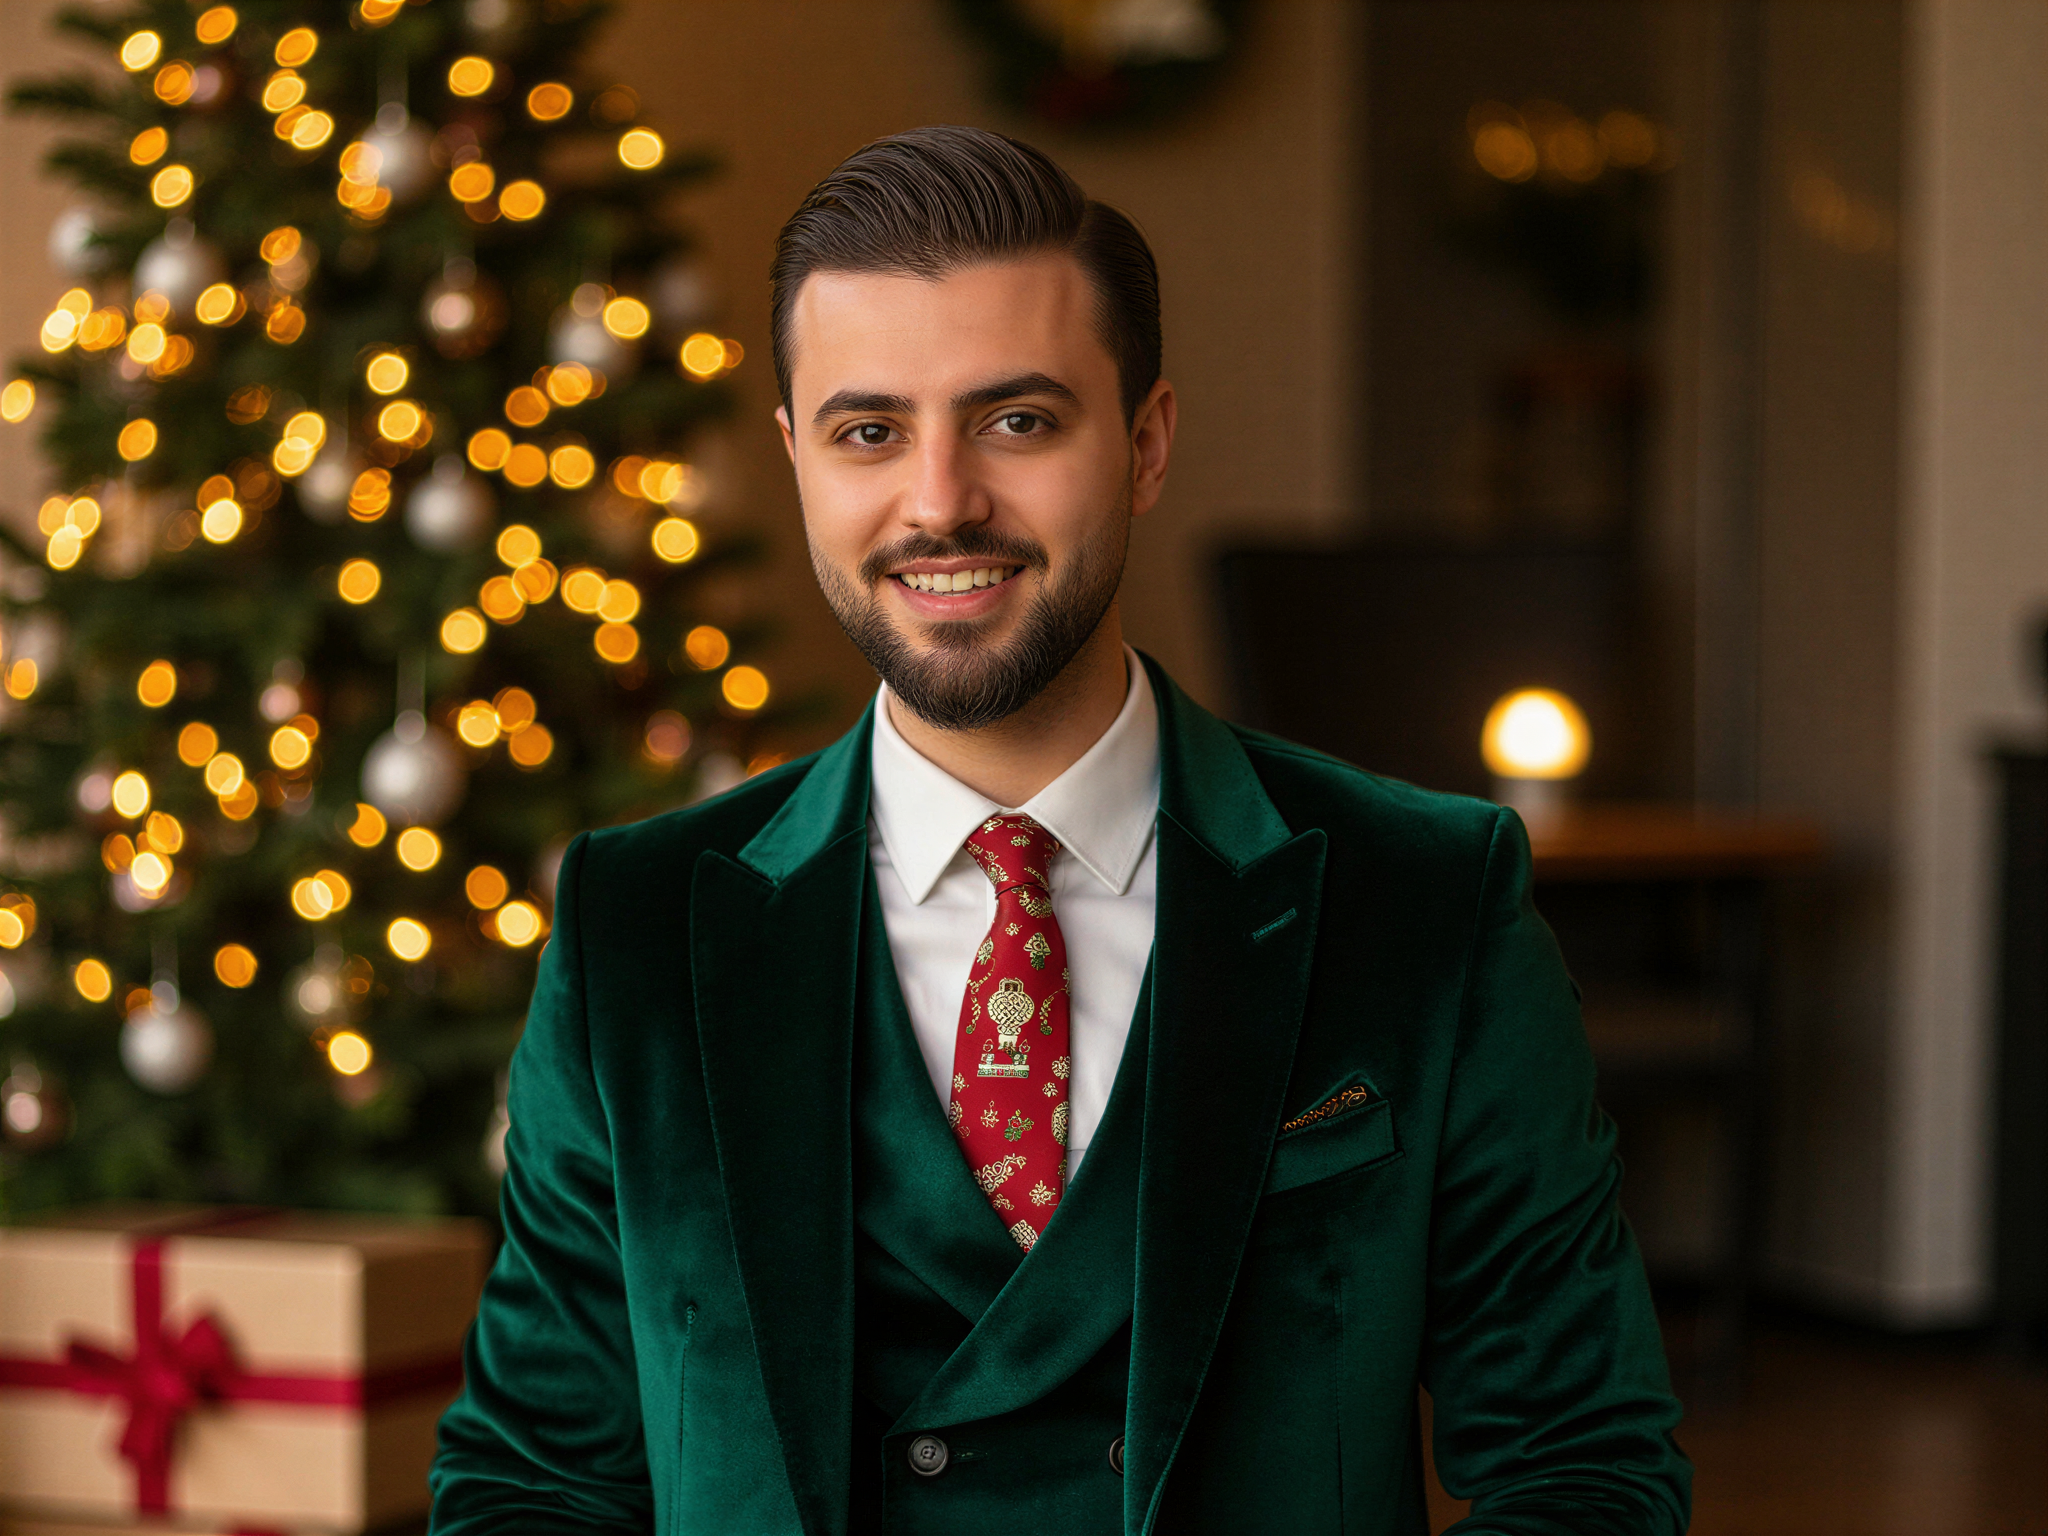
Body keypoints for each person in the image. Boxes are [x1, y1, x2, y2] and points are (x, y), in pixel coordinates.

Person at [430, 125, 1690, 1536]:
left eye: (1017, 420)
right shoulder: (636, 928)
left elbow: (1583, 1469)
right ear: (795, 458)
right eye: (868, 431)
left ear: (1146, 444)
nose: (938, 501)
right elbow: (532, 1483)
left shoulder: (1430, 900)